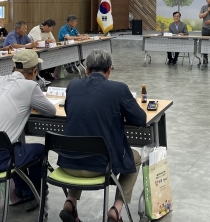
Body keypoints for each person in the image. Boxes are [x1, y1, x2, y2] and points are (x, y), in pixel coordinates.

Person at [58, 50, 146, 222]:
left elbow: (70, 111)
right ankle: (116, 209)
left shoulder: (73, 86)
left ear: (87, 69)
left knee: (81, 145)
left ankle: (70, 202)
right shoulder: (118, 89)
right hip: (100, 168)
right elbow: (140, 119)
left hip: (68, 166)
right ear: (109, 70)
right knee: (135, 158)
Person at [0, 50, 56, 211]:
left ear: (14, 67)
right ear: (35, 71)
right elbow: (50, 111)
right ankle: (33, 193)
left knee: (16, 148)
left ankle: (23, 189)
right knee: (39, 150)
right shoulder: (30, 86)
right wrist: (32, 103)